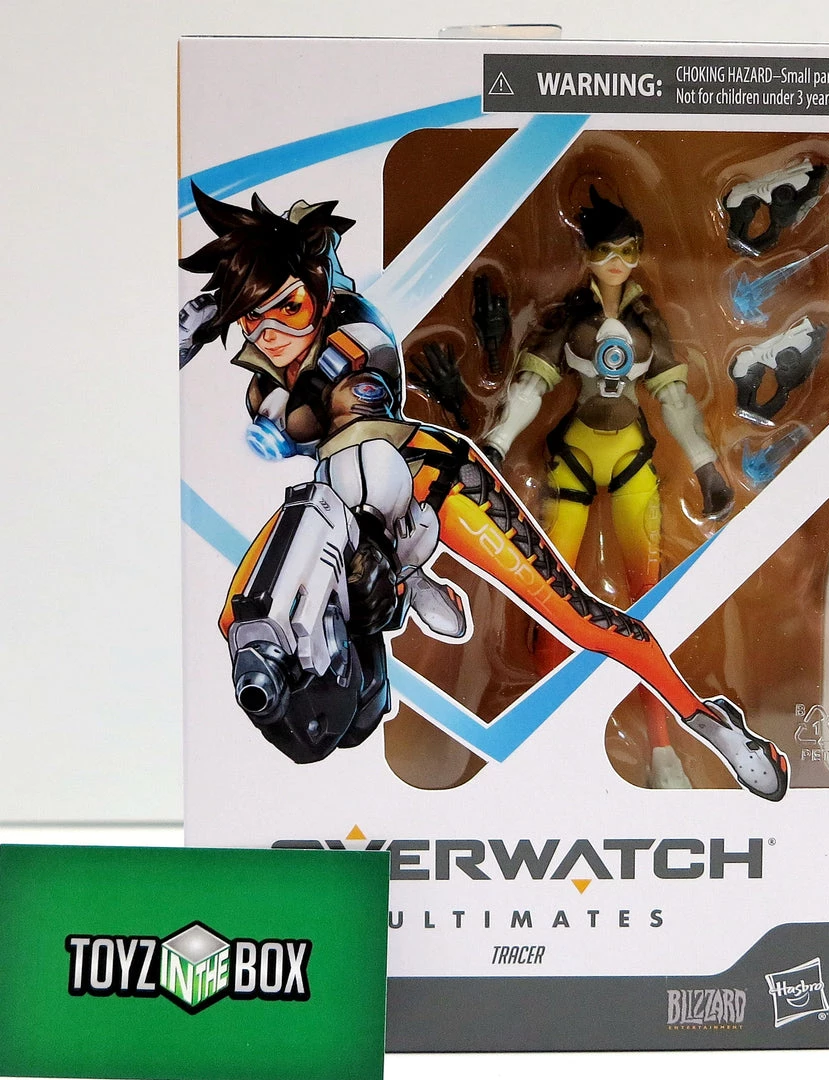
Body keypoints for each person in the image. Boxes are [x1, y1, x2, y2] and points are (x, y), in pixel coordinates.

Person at [179, 184, 788, 801]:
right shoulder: (263, 385)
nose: (272, 333)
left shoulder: (354, 331)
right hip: (349, 516)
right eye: (255, 319)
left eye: (288, 308)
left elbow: (344, 391)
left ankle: (710, 723)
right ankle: (354, 644)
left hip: (431, 476)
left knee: (580, 620)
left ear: (317, 287)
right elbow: (286, 419)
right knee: (241, 612)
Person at [483, 189, 734, 788]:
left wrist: (706, 466)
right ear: (587, 254)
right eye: (604, 250)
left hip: (631, 460)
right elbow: (532, 386)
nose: (617, 262)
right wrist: (496, 443)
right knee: (551, 599)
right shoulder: (572, 318)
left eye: (628, 250)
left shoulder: (648, 322)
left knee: (645, 604)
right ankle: (548, 741)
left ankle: (663, 749)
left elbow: (676, 399)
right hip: (573, 456)